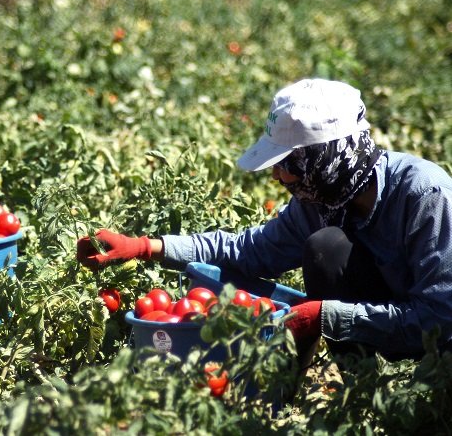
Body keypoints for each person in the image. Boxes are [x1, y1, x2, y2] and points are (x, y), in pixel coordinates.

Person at [77, 78, 452, 365]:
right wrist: (146, 247)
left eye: (288, 163)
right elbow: (250, 250)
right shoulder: (322, 200)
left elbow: (441, 316)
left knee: (327, 249)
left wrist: (328, 316)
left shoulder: (424, 194)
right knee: (327, 249)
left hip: (440, 352)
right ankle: (365, 383)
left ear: (326, 157)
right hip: (389, 327)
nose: (278, 176)